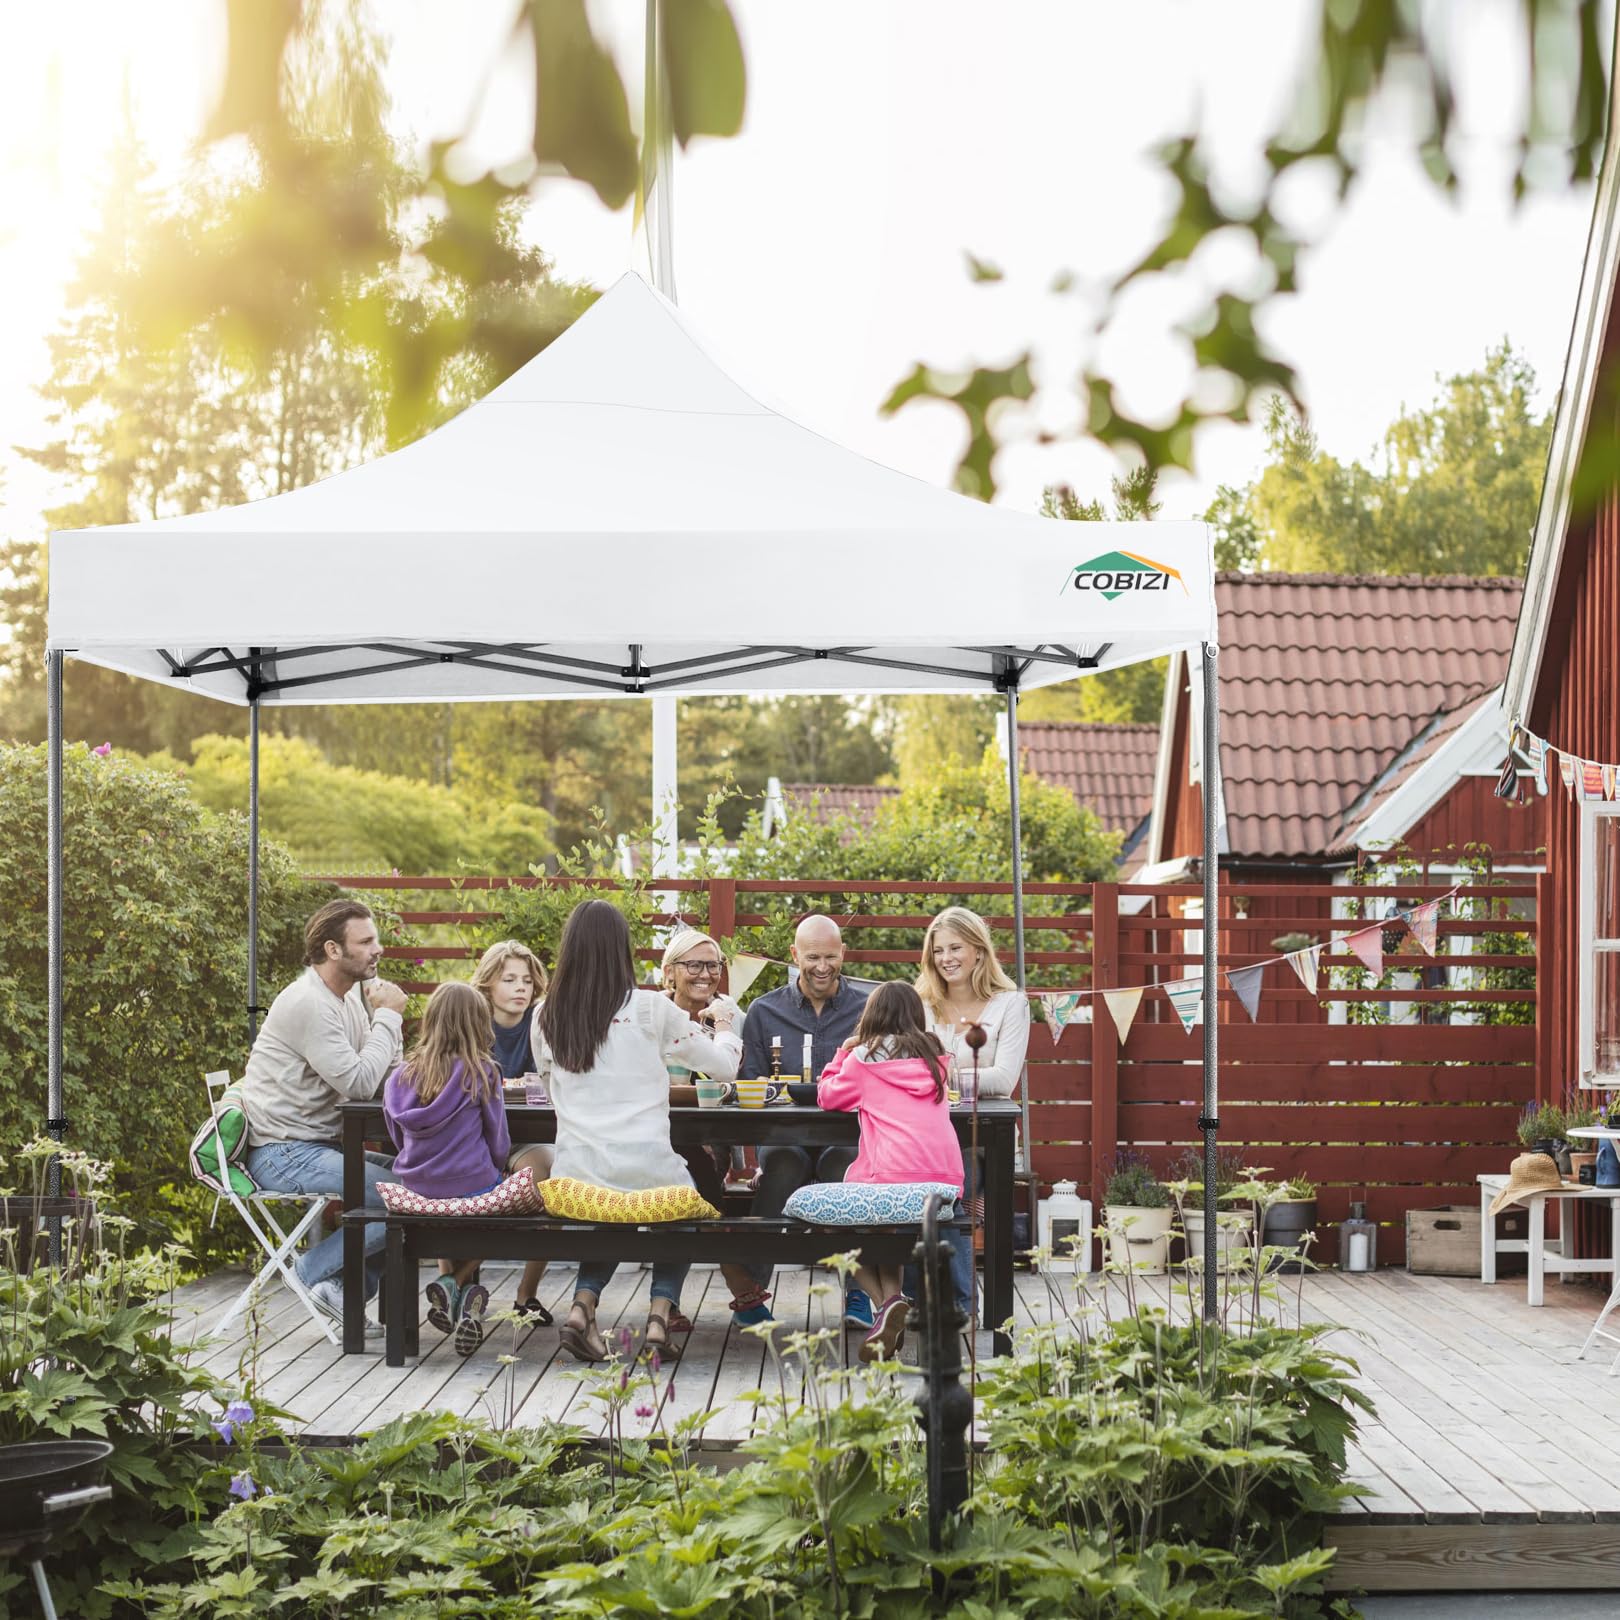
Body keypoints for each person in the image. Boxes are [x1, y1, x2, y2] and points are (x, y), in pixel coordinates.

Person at [532, 900, 745, 1364]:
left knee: (611, 1206)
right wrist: (726, 1027)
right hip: (649, 1173)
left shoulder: (546, 1013)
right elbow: (725, 1068)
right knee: (690, 1206)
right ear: (621, 951)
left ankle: (581, 1308)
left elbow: (550, 1090)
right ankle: (657, 1317)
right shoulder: (649, 1009)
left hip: (573, 1180)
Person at [242, 899, 406, 1339]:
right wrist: (389, 1016)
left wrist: (388, 1027)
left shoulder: (351, 997)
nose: (379, 949)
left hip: (322, 1145)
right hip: (281, 1151)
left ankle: (340, 1290)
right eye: (366, 941)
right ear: (333, 950)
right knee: (406, 1198)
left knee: (424, 1181)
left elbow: (384, 1077)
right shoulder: (309, 1003)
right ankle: (310, 1270)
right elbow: (357, 1082)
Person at [817, 982, 963, 1363]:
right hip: (943, 1182)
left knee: (832, 1228)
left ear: (871, 1016)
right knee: (884, 1222)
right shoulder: (936, 1059)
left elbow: (827, 1096)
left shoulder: (863, 1059)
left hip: (893, 1177)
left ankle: (888, 1303)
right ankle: (891, 1309)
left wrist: (841, 1053)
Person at [740, 915, 872, 1327]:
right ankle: (750, 1295)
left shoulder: (866, 1008)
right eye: (812, 956)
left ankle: (860, 1294)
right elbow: (750, 1084)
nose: (821, 966)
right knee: (782, 1164)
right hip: (782, 1132)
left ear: (843, 954)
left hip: (847, 1133)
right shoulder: (763, 1011)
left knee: (845, 1168)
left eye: (830, 956)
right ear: (795, 956)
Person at [383, 983, 511, 1356]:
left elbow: (395, 1133)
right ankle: (458, 1282)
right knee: (517, 1216)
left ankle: (450, 1285)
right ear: (478, 1024)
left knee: (442, 1213)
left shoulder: (401, 1076)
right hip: (472, 1184)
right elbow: (498, 1139)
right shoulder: (482, 1072)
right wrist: (496, 1171)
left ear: (431, 1021)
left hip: (417, 1189)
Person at [915, 905, 1031, 1314]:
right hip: (924, 1132)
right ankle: (916, 1298)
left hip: (982, 1139)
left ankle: (961, 1303)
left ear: (979, 951)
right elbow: (904, 1067)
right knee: (907, 1182)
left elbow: (1004, 1078)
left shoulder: (1010, 1004)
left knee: (953, 1182)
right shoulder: (921, 1004)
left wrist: (940, 1074)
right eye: (938, 950)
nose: (946, 958)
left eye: (955, 948)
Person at [658, 929, 773, 1328]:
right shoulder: (652, 1012)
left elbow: (743, 1080)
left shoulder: (732, 1016)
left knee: (699, 1171)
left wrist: (721, 1028)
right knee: (693, 1181)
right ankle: (736, 1280)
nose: (705, 974)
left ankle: (666, 1304)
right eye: (694, 964)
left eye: (712, 965)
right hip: (656, 1131)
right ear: (670, 971)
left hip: (713, 1131)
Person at [471, 939, 556, 1323]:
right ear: (488, 983)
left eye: (526, 980)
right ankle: (451, 1285)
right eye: (509, 979)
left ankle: (527, 1294)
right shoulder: (471, 1022)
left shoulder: (543, 1021)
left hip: (524, 1133)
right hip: (472, 1134)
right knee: (454, 1181)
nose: (520, 988)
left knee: (549, 1176)